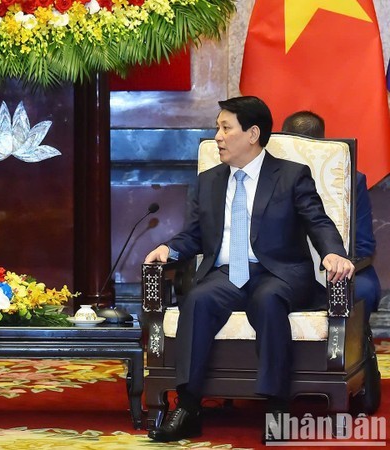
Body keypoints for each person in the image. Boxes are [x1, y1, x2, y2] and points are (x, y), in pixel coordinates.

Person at [144, 96, 355, 442]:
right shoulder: (211, 180)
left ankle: (276, 406)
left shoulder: (290, 176)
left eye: (226, 128)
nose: (218, 136)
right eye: (218, 127)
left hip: (280, 272)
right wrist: (170, 248)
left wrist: (333, 253)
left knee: (268, 299)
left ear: (253, 133)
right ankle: (188, 406)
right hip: (228, 273)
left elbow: (318, 222)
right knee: (197, 299)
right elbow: (195, 234)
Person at [282, 110, 382, 413]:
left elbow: (363, 244)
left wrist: (340, 264)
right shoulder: (268, 176)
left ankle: (350, 366)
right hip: (286, 270)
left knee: (360, 290)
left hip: (344, 270)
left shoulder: (351, 178)